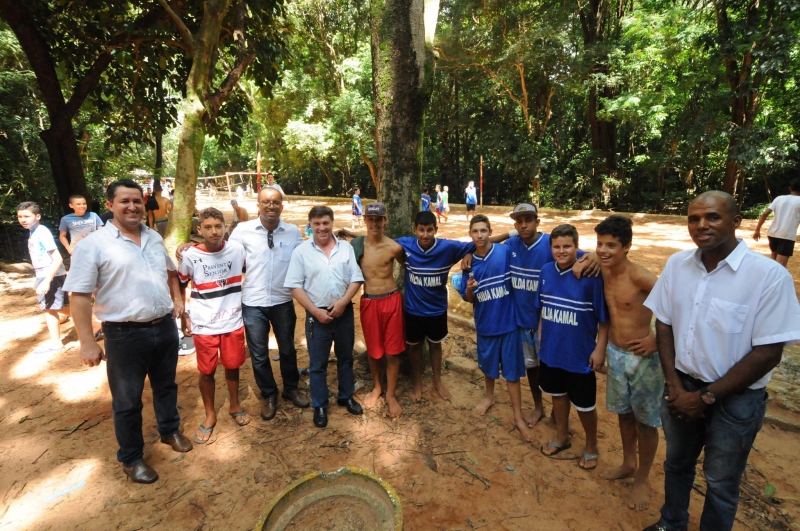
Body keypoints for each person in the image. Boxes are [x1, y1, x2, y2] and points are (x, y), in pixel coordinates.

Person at [642, 191, 800, 531]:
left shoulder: (768, 276)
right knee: (676, 464)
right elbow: (664, 323)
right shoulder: (677, 265)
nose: (701, 225)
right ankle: (671, 523)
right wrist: (674, 385)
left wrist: (706, 397)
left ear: (736, 221)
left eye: (712, 217)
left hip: (736, 401)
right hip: (680, 387)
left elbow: (768, 352)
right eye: (693, 218)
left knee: (721, 481)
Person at [64, 179, 192, 484]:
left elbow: (170, 272)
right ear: (110, 205)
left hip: (163, 327)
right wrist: (86, 342)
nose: (132, 206)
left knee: (166, 386)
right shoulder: (92, 245)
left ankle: (169, 430)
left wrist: (177, 299)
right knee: (127, 400)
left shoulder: (153, 237)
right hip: (124, 335)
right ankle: (132, 458)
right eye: (124, 201)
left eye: (136, 201)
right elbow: (78, 295)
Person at [216, 187, 310, 419]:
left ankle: (291, 388)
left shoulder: (291, 232)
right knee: (259, 353)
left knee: (287, 349)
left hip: (282, 300)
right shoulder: (243, 231)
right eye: (266, 202)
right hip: (253, 302)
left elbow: (305, 258)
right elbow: (224, 253)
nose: (271, 206)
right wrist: (190, 248)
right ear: (258, 204)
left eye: (276, 202)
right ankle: (269, 394)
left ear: (282, 206)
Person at [594, 215, 662, 511]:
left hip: (644, 359)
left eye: (611, 245)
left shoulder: (640, 277)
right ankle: (628, 463)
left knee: (645, 421)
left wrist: (656, 340)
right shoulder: (603, 270)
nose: (603, 250)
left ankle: (642, 478)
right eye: (600, 244)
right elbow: (580, 254)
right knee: (623, 414)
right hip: (616, 354)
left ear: (627, 247)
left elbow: (678, 306)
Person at [536, 224, 609, 472]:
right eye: (556, 246)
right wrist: (541, 337)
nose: (561, 251)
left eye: (567, 246)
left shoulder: (590, 276)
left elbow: (603, 319)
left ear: (577, 247)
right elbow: (542, 308)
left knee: (585, 405)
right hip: (551, 350)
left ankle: (591, 445)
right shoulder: (546, 271)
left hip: (579, 354)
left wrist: (600, 349)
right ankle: (561, 435)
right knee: (557, 395)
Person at [285, 206, 364, 428]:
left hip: (344, 312)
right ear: (310, 225)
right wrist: (315, 311)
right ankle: (319, 404)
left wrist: (343, 302)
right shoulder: (301, 252)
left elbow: (356, 279)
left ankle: (346, 396)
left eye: (326, 223)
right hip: (316, 315)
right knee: (318, 363)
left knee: (345, 357)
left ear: (332, 223)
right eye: (317, 223)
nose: (322, 228)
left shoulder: (345, 248)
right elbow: (294, 286)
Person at [457, 215, 532, 442]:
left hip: (508, 324)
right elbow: (469, 299)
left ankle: (517, 416)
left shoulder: (504, 251)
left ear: (490, 231)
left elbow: (522, 241)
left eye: (483, 231)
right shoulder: (468, 264)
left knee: (512, 373)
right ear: (470, 234)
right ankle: (489, 397)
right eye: (475, 231)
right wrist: (469, 289)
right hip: (485, 325)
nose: (479, 235)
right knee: (488, 367)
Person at [178, 208, 250, 444]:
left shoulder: (237, 250)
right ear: (199, 229)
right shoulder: (191, 255)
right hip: (204, 324)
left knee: (232, 365)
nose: (214, 232)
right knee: (206, 371)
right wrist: (183, 316)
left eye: (218, 226)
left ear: (225, 228)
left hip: (232, 320)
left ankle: (234, 405)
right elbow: (181, 283)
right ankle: (210, 414)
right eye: (208, 227)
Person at [350, 203, 407, 418]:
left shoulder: (394, 247)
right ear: (365, 220)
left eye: (378, 219)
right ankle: (377, 387)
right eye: (371, 219)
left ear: (385, 220)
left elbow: (409, 266)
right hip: (369, 302)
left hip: (391, 301)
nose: (374, 223)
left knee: (392, 351)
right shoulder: (356, 245)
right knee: (374, 350)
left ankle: (390, 394)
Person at [17, 201, 70, 354]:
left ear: (38, 216)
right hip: (48, 274)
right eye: (20, 217)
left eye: (27, 216)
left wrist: (46, 281)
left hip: (50, 275)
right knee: (60, 307)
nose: (23, 219)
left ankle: (56, 343)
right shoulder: (34, 232)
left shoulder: (41, 232)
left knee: (49, 309)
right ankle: (94, 324)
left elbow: (58, 258)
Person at [753, 176, 800, 267]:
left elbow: (765, 214)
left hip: (772, 234)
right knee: (780, 266)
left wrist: (757, 230)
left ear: (790, 188)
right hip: (787, 236)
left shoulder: (779, 198)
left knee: (773, 261)